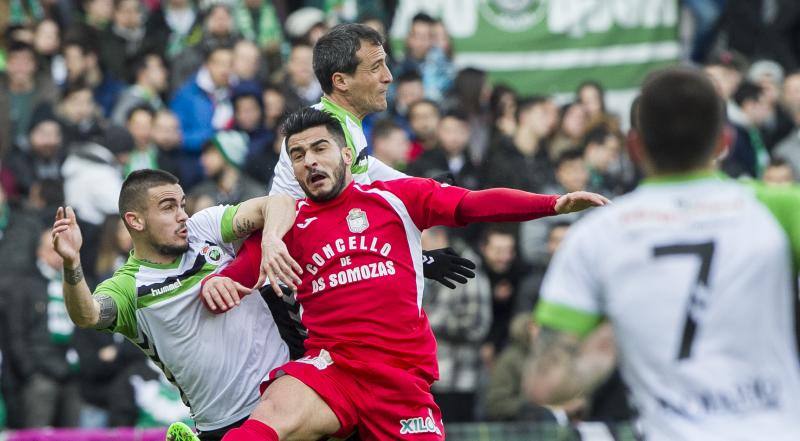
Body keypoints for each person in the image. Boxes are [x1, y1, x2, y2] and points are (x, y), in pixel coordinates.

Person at [198, 107, 608, 441]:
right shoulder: (288, 224)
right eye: (298, 155)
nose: (309, 161)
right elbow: (239, 274)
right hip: (333, 368)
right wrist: (217, 282)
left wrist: (551, 204)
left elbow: (473, 205)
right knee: (271, 414)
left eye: (319, 148)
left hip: (399, 379)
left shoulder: (398, 198)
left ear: (345, 156)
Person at [526, 67, 800, 440]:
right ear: (725, 141)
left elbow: (547, 383)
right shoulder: (780, 209)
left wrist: (615, 333)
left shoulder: (598, 234)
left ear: (635, 146)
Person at [50, 169, 298, 440]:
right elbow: (86, 314)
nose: (182, 215)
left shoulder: (203, 228)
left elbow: (279, 202)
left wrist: (271, 240)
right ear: (135, 221)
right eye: (168, 208)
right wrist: (72, 263)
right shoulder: (128, 286)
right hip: (224, 424)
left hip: (285, 390)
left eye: (182, 204)